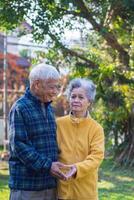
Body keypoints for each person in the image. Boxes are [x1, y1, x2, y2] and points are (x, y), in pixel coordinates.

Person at [8, 63, 67, 200]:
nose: (55, 91)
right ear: (37, 84)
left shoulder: (48, 108)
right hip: (27, 188)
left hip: (49, 186)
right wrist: (48, 165)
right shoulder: (20, 108)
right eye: (51, 87)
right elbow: (19, 146)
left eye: (56, 87)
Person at [57, 78, 105, 200]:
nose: (76, 100)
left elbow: (97, 157)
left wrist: (77, 169)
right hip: (62, 190)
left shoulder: (96, 128)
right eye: (73, 96)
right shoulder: (58, 124)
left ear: (89, 101)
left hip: (86, 192)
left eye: (81, 97)